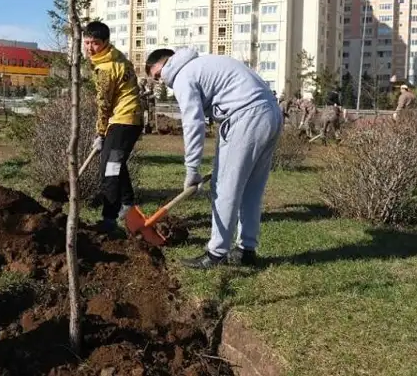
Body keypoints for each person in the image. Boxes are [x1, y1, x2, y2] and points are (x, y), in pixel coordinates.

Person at [145, 47, 282, 269]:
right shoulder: (203, 63)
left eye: (158, 75)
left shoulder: (182, 74)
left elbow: (193, 123)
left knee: (224, 188)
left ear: (166, 63)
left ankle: (216, 254)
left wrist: (192, 169)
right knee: (251, 189)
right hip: (270, 112)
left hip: (245, 116)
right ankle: (246, 250)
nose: (161, 82)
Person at [83, 21, 144, 232]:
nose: (90, 48)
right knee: (116, 163)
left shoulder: (106, 68)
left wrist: (100, 133)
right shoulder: (114, 56)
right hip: (127, 120)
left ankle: (109, 219)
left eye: (95, 43)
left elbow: (104, 104)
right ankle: (128, 204)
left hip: (123, 121)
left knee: (109, 169)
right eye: (87, 42)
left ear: (105, 43)